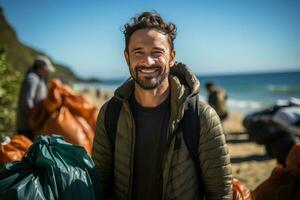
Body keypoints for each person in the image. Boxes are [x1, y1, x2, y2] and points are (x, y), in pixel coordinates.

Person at [92, 11, 232, 200]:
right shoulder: (110, 113)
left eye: (157, 53)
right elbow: (99, 184)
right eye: (138, 52)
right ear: (127, 58)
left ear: (172, 57)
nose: (147, 61)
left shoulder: (201, 116)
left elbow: (221, 193)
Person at [16, 55, 55, 141]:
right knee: (27, 150)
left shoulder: (38, 79)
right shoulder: (32, 79)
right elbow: (27, 100)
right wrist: (34, 120)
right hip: (27, 126)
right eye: (46, 69)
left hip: (31, 126)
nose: (47, 72)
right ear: (40, 68)